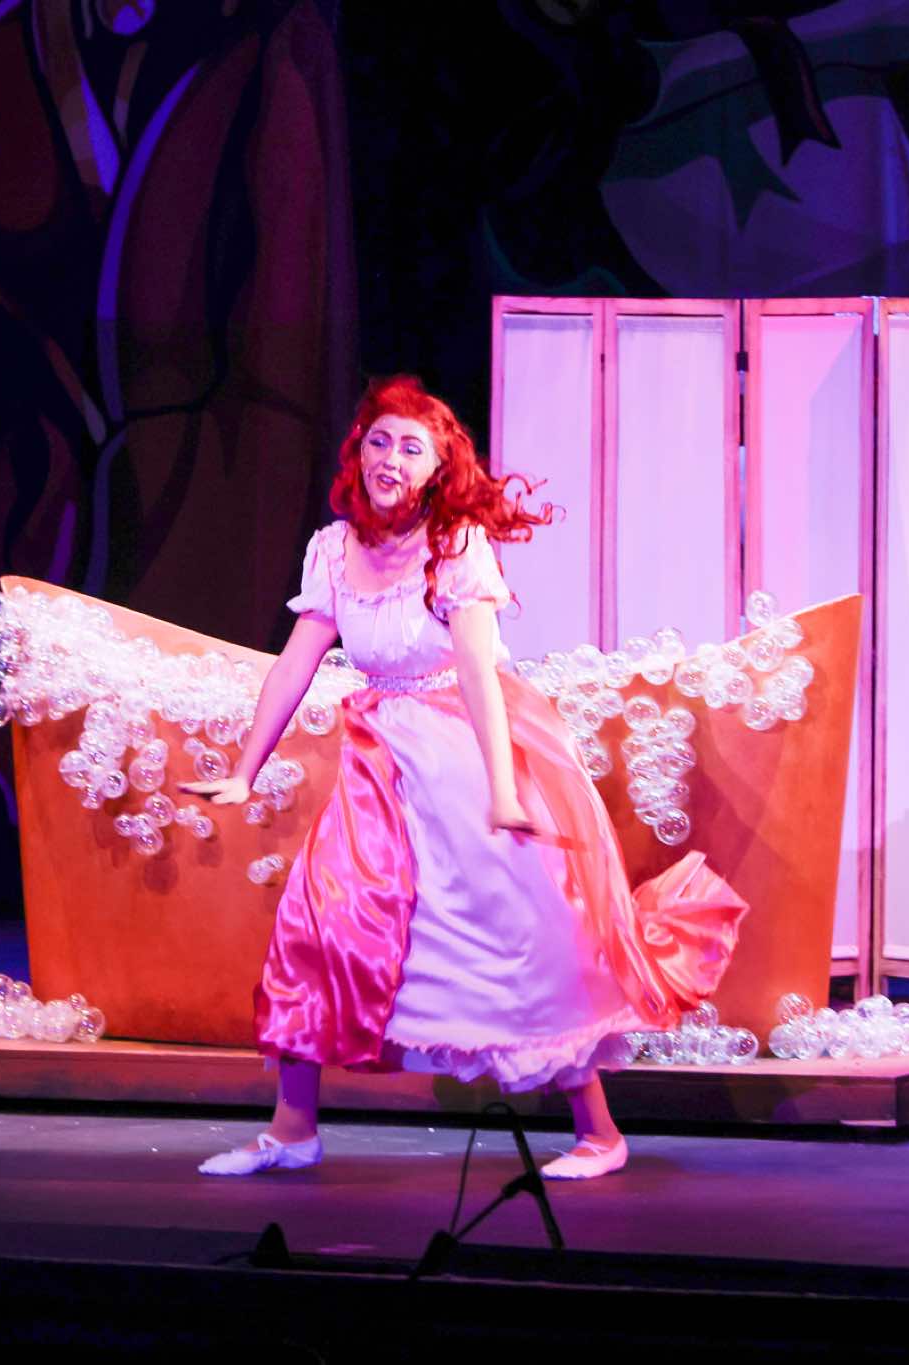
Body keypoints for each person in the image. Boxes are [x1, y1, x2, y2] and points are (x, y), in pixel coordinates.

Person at [184, 375, 747, 1180]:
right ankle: (292, 1127)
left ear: (438, 468)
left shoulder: (455, 546)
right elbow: (294, 666)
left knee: (527, 936)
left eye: (411, 448)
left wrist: (504, 791)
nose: (390, 458)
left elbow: (480, 674)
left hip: (464, 755)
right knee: (317, 919)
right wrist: (244, 771)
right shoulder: (333, 550)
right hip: (380, 766)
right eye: (379, 441)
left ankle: (599, 1132)